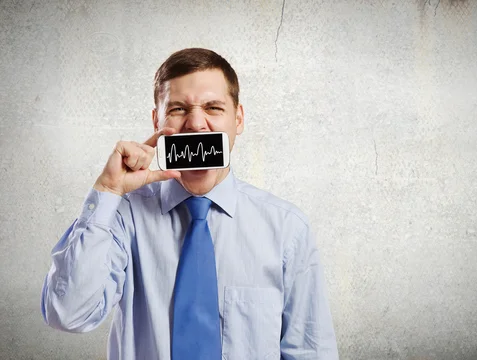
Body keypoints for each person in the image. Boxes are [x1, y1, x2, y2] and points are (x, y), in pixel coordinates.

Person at [40, 48, 339, 360]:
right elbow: (67, 314)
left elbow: (310, 352)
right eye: (178, 109)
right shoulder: (122, 216)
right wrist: (108, 190)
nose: (196, 124)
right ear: (157, 120)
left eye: (213, 108)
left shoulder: (287, 228)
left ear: (238, 119)